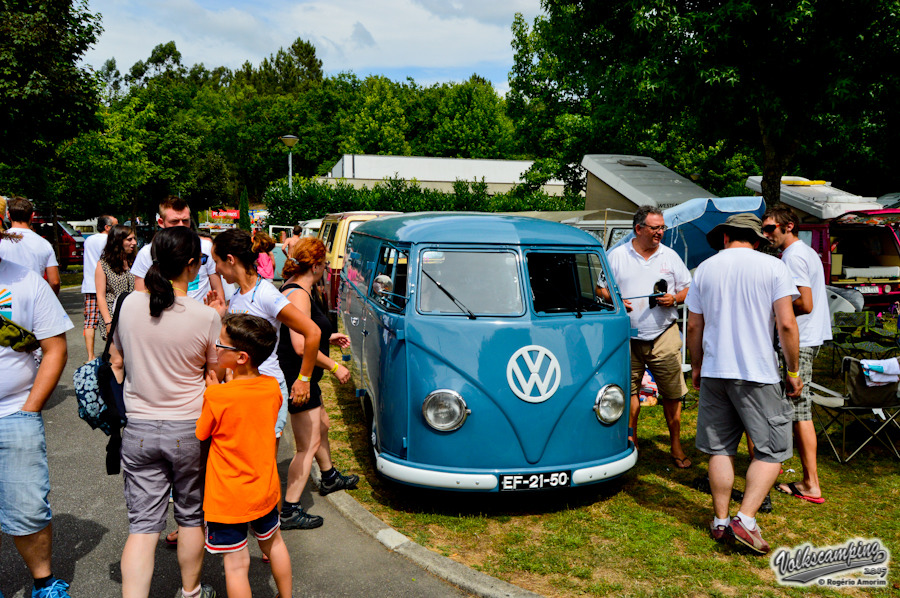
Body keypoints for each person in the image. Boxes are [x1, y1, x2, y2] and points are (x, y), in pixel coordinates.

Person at [112, 227, 220, 598]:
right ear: (191, 266)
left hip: (139, 427)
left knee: (142, 528)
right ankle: (191, 592)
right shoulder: (205, 316)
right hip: (189, 429)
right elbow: (214, 372)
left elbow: (116, 359)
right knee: (190, 516)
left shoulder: (127, 304)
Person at [685, 213, 801, 555]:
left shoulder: (704, 269)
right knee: (773, 449)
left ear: (725, 238)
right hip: (758, 372)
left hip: (716, 371)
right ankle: (745, 519)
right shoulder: (773, 267)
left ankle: (720, 520)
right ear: (756, 239)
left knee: (720, 448)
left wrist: (696, 366)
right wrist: (793, 370)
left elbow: (693, 326)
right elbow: (788, 325)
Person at [0, 229, 74, 597]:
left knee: (27, 505)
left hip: (14, 412)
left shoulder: (25, 281)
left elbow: (55, 348)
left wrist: (29, 411)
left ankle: (44, 582)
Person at [197, 314, 292, 598]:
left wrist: (213, 392)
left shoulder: (217, 397)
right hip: (264, 488)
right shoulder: (272, 387)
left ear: (240, 357)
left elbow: (202, 433)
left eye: (220, 344)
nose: (215, 347)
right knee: (274, 544)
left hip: (227, 496)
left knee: (236, 564)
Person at [207, 229, 321, 442]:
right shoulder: (238, 294)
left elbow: (313, 332)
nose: (216, 269)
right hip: (240, 389)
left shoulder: (266, 294)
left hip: (265, 390)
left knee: (263, 463)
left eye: (217, 261)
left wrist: (304, 379)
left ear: (230, 260)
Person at [604, 206, 693, 467]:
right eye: (655, 228)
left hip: (663, 334)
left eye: (662, 227)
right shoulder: (617, 256)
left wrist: (674, 298)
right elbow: (601, 289)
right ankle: (630, 442)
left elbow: (689, 289)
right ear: (638, 229)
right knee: (629, 391)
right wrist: (617, 300)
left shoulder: (671, 256)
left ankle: (675, 445)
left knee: (672, 393)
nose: (660, 232)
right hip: (627, 338)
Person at [278, 238, 356, 530]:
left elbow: (309, 332)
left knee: (322, 424)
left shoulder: (302, 288)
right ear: (317, 264)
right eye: (326, 263)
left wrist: (328, 337)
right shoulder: (297, 293)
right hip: (299, 378)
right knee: (306, 446)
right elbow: (299, 345)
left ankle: (330, 476)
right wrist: (335, 365)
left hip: (307, 376)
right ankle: (290, 509)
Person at [763, 204, 830, 504]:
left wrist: (773, 313)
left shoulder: (794, 256)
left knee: (800, 411)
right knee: (795, 409)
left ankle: (810, 483)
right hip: (806, 338)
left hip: (800, 340)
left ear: (788, 226)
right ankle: (788, 469)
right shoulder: (802, 252)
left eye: (770, 229)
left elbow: (805, 303)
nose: (766, 235)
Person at [132, 196, 224, 302]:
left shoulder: (205, 247)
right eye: (174, 221)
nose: (181, 225)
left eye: (185, 221)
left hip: (200, 315)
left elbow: (218, 290)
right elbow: (139, 297)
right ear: (161, 222)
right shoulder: (146, 253)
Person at [0, 197, 60, 295]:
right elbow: (54, 281)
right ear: (32, 215)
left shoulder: (2, 240)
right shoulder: (44, 244)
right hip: (34, 297)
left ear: (8, 215)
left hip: (5, 298)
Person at [82, 215, 118, 361]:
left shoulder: (89, 240)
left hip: (89, 285)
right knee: (109, 319)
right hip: (105, 285)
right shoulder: (109, 241)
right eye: (115, 225)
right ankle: (110, 352)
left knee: (90, 322)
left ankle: (90, 355)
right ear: (107, 227)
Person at [95, 224, 137, 343]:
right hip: (113, 315)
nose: (133, 242)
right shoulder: (103, 265)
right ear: (118, 241)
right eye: (129, 239)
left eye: (134, 239)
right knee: (117, 360)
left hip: (133, 315)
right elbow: (100, 296)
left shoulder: (135, 261)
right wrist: (108, 322)